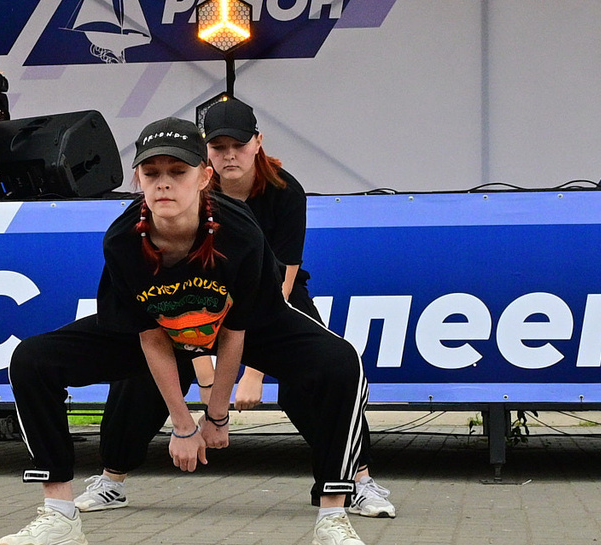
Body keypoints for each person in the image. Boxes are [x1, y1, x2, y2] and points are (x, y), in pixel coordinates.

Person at [0, 118, 378, 545]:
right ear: (137, 180)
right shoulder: (124, 240)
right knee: (33, 360)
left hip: (238, 325)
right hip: (162, 329)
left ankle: (333, 522)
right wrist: (182, 425)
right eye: (152, 172)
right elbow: (150, 336)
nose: (164, 184)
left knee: (341, 362)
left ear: (204, 177)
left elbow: (236, 331)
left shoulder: (237, 231)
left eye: (177, 172)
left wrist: (215, 416)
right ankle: (58, 517)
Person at [74, 97, 393, 520]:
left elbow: (278, 287)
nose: (229, 155)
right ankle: (112, 479)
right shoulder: (184, 191)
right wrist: (205, 376)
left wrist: (254, 372)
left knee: (321, 372)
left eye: (238, 145)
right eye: (218, 146)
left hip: (273, 296)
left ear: (258, 143)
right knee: (138, 375)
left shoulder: (284, 192)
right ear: (204, 158)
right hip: (186, 298)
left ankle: (357, 478)